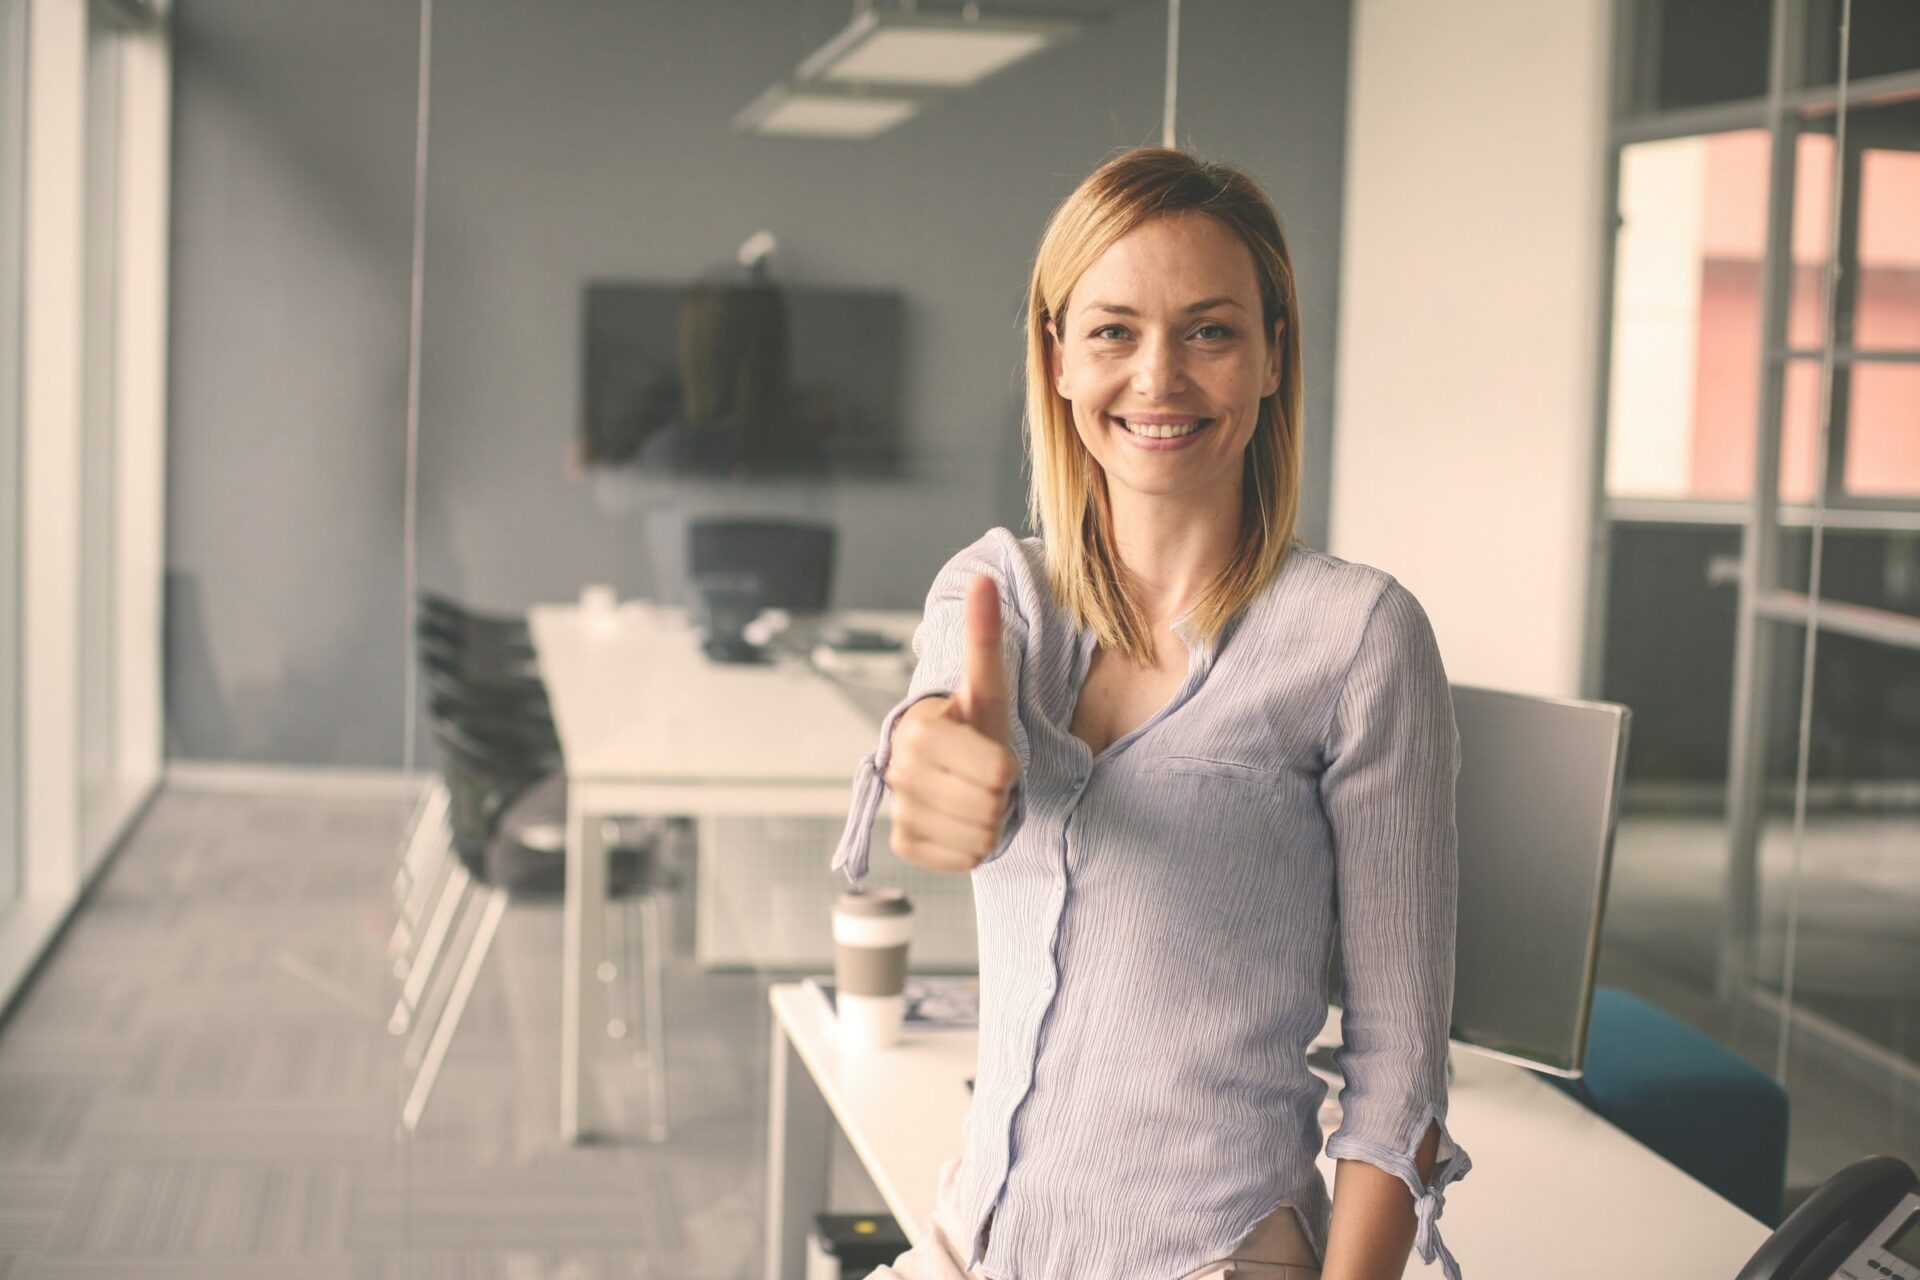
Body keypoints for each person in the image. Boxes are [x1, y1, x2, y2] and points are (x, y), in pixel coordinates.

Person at [833, 147, 1470, 1280]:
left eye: (1211, 330)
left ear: (1275, 356)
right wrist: (936, 761)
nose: (1159, 376)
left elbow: (1399, 1071)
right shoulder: (999, 594)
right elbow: (942, 715)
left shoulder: (1359, 636)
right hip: (977, 1237)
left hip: (1211, 1255)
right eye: (1115, 330)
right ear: (1059, 359)